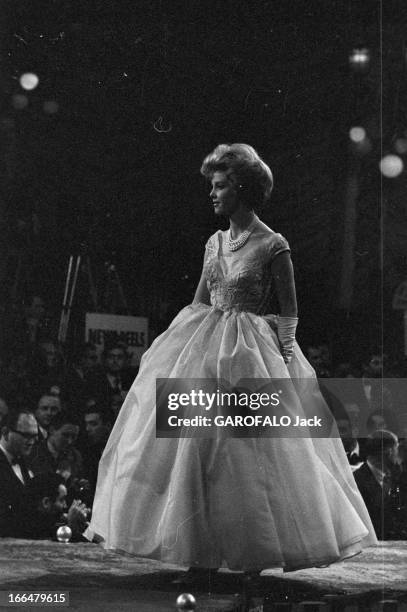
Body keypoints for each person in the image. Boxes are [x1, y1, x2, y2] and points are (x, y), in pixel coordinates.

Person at [85, 143, 376, 574]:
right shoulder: (214, 241)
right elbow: (199, 302)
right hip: (205, 346)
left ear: (240, 187)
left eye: (220, 186)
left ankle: (252, 553)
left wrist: (286, 359)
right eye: (212, 186)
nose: (212, 194)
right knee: (191, 444)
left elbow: (291, 309)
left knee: (247, 452)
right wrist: (176, 349)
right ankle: (196, 549)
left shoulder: (272, 244)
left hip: (251, 353)